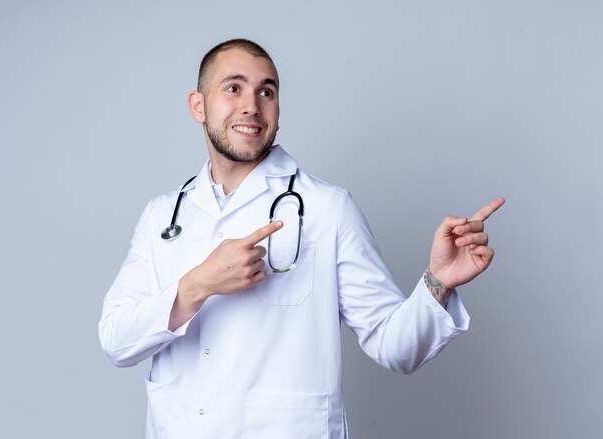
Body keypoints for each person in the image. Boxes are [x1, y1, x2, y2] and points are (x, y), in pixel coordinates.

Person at [99, 38, 504, 439]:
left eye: (266, 91)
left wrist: (438, 281)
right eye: (233, 88)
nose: (251, 106)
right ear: (198, 106)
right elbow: (117, 340)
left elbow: (395, 346)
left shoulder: (327, 209)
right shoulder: (162, 217)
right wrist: (197, 285)